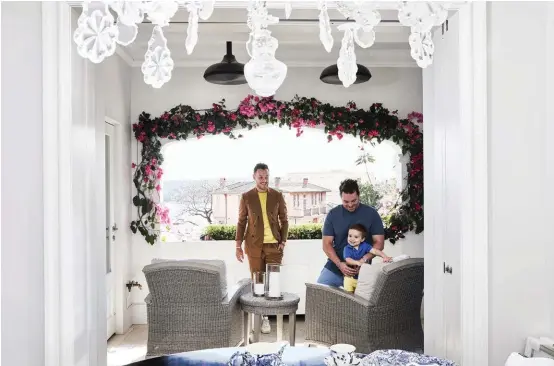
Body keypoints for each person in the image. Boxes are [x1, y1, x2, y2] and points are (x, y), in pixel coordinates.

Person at [235, 163, 288, 334]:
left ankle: (267, 317)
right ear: (254, 177)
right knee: (258, 284)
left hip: (274, 246)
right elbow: (241, 222)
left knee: (273, 284)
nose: (264, 180)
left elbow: (284, 220)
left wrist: (283, 242)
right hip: (254, 246)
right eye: (260, 177)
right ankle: (261, 319)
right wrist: (238, 245)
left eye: (266, 177)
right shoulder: (246, 197)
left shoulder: (277, 196)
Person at [317, 179, 385, 287]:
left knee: (359, 303)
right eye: (346, 202)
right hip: (335, 266)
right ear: (341, 198)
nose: (350, 205)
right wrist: (340, 265)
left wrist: (364, 260)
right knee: (318, 293)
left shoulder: (371, 214)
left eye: (354, 201)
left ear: (359, 196)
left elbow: (379, 243)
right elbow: (326, 244)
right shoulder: (333, 215)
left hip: (362, 270)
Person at [343, 223, 392, 292]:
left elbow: (375, 251)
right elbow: (348, 260)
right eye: (350, 236)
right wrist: (357, 262)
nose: (352, 239)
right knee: (348, 291)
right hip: (351, 278)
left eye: (356, 237)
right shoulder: (347, 248)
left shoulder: (364, 246)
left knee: (365, 293)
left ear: (362, 239)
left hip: (364, 278)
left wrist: (384, 256)